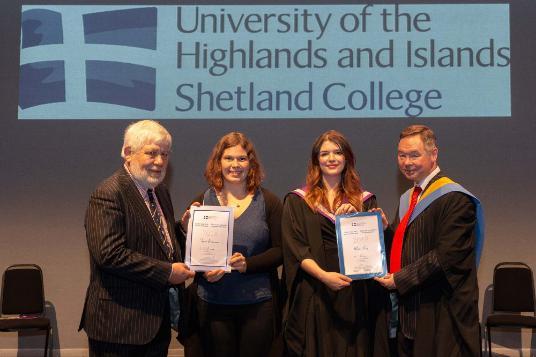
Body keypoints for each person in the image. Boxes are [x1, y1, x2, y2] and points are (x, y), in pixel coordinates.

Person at [79, 120, 195, 356]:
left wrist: (180, 230)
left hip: (154, 323)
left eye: (164, 154)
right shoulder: (108, 193)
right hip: (119, 326)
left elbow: (153, 238)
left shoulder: (158, 190)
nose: (160, 161)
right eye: (152, 153)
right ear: (128, 152)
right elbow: (109, 254)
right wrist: (167, 272)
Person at [374, 125, 483, 357]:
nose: (406, 162)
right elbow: (406, 247)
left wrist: (398, 280)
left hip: (441, 312)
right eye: (401, 155)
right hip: (411, 314)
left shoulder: (455, 198)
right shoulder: (409, 198)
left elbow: (447, 256)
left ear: (434, 154)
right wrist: (386, 231)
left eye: (414, 155)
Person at [282, 130, 387, 357]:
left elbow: (374, 251)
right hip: (316, 290)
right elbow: (296, 248)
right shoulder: (298, 200)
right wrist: (323, 276)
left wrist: (373, 222)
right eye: (324, 153)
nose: (331, 158)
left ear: (347, 157)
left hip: (355, 292)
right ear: (316, 160)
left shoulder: (364, 200)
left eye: (337, 152)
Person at [180, 132, 283, 357]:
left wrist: (249, 264)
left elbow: (281, 251)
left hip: (258, 303)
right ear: (219, 162)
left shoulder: (269, 202)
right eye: (228, 158)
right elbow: (186, 253)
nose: (235, 165)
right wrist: (186, 231)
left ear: (251, 163)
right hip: (212, 302)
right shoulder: (202, 201)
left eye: (242, 159)